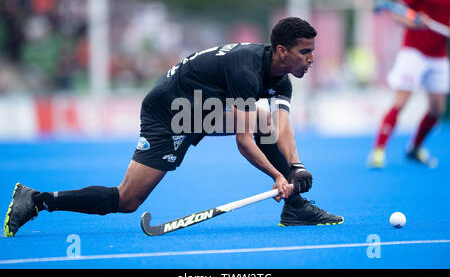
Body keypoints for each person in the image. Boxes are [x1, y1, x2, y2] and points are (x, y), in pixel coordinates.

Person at [4, 17, 343, 237]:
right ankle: (38, 200)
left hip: (202, 109)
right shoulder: (246, 71)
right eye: (305, 52)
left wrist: (296, 167)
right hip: (170, 111)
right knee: (127, 199)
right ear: (283, 51)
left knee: (266, 121)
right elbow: (244, 142)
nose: (312, 59)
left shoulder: (282, 78)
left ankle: (295, 207)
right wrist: (277, 176)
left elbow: (282, 126)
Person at [368, 0, 450, 169]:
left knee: (437, 110)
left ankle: (414, 148)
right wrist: (415, 22)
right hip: (413, 53)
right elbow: (399, 14)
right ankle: (378, 150)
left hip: (438, 55)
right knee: (400, 102)